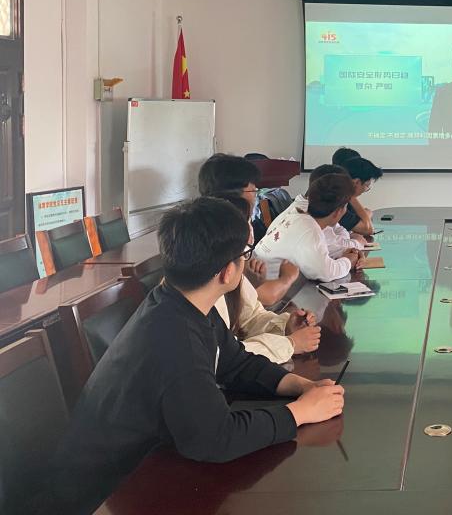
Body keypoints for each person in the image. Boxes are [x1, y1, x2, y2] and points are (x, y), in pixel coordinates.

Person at [37, 198, 344, 515]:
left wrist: (299, 385)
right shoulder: (172, 337)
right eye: (244, 255)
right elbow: (215, 439)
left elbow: (236, 362)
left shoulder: (181, 303)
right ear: (227, 272)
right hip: (100, 495)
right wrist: (300, 413)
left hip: (144, 468)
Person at [214, 194, 321, 363]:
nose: (251, 232)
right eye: (245, 252)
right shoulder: (204, 292)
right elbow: (226, 358)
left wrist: (285, 325)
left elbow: (251, 318)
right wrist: (290, 344)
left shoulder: (228, 271)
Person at [198, 153, 300, 306]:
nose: (255, 197)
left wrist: (255, 279)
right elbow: (261, 298)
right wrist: (288, 277)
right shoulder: (222, 235)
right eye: (253, 191)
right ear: (233, 196)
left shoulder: (231, 223)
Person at [254, 173, 364, 282]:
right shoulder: (309, 230)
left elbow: (320, 253)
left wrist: (349, 252)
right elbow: (325, 273)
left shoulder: (298, 215)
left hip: (262, 282)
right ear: (338, 211)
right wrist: (348, 261)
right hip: (267, 287)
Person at [281, 164, 366, 255]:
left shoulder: (311, 205)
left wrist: (346, 239)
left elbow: (338, 231)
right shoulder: (309, 214)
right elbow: (335, 249)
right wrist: (358, 243)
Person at [335, 156, 383, 237]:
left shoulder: (343, 197)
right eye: (367, 185)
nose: (367, 189)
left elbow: (361, 221)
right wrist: (351, 196)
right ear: (356, 182)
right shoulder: (337, 202)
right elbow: (368, 229)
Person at [331, 147, 375, 235]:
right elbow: (367, 229)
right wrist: (368, 213)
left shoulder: (330, 185)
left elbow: (357, 218)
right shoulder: (334, 196)